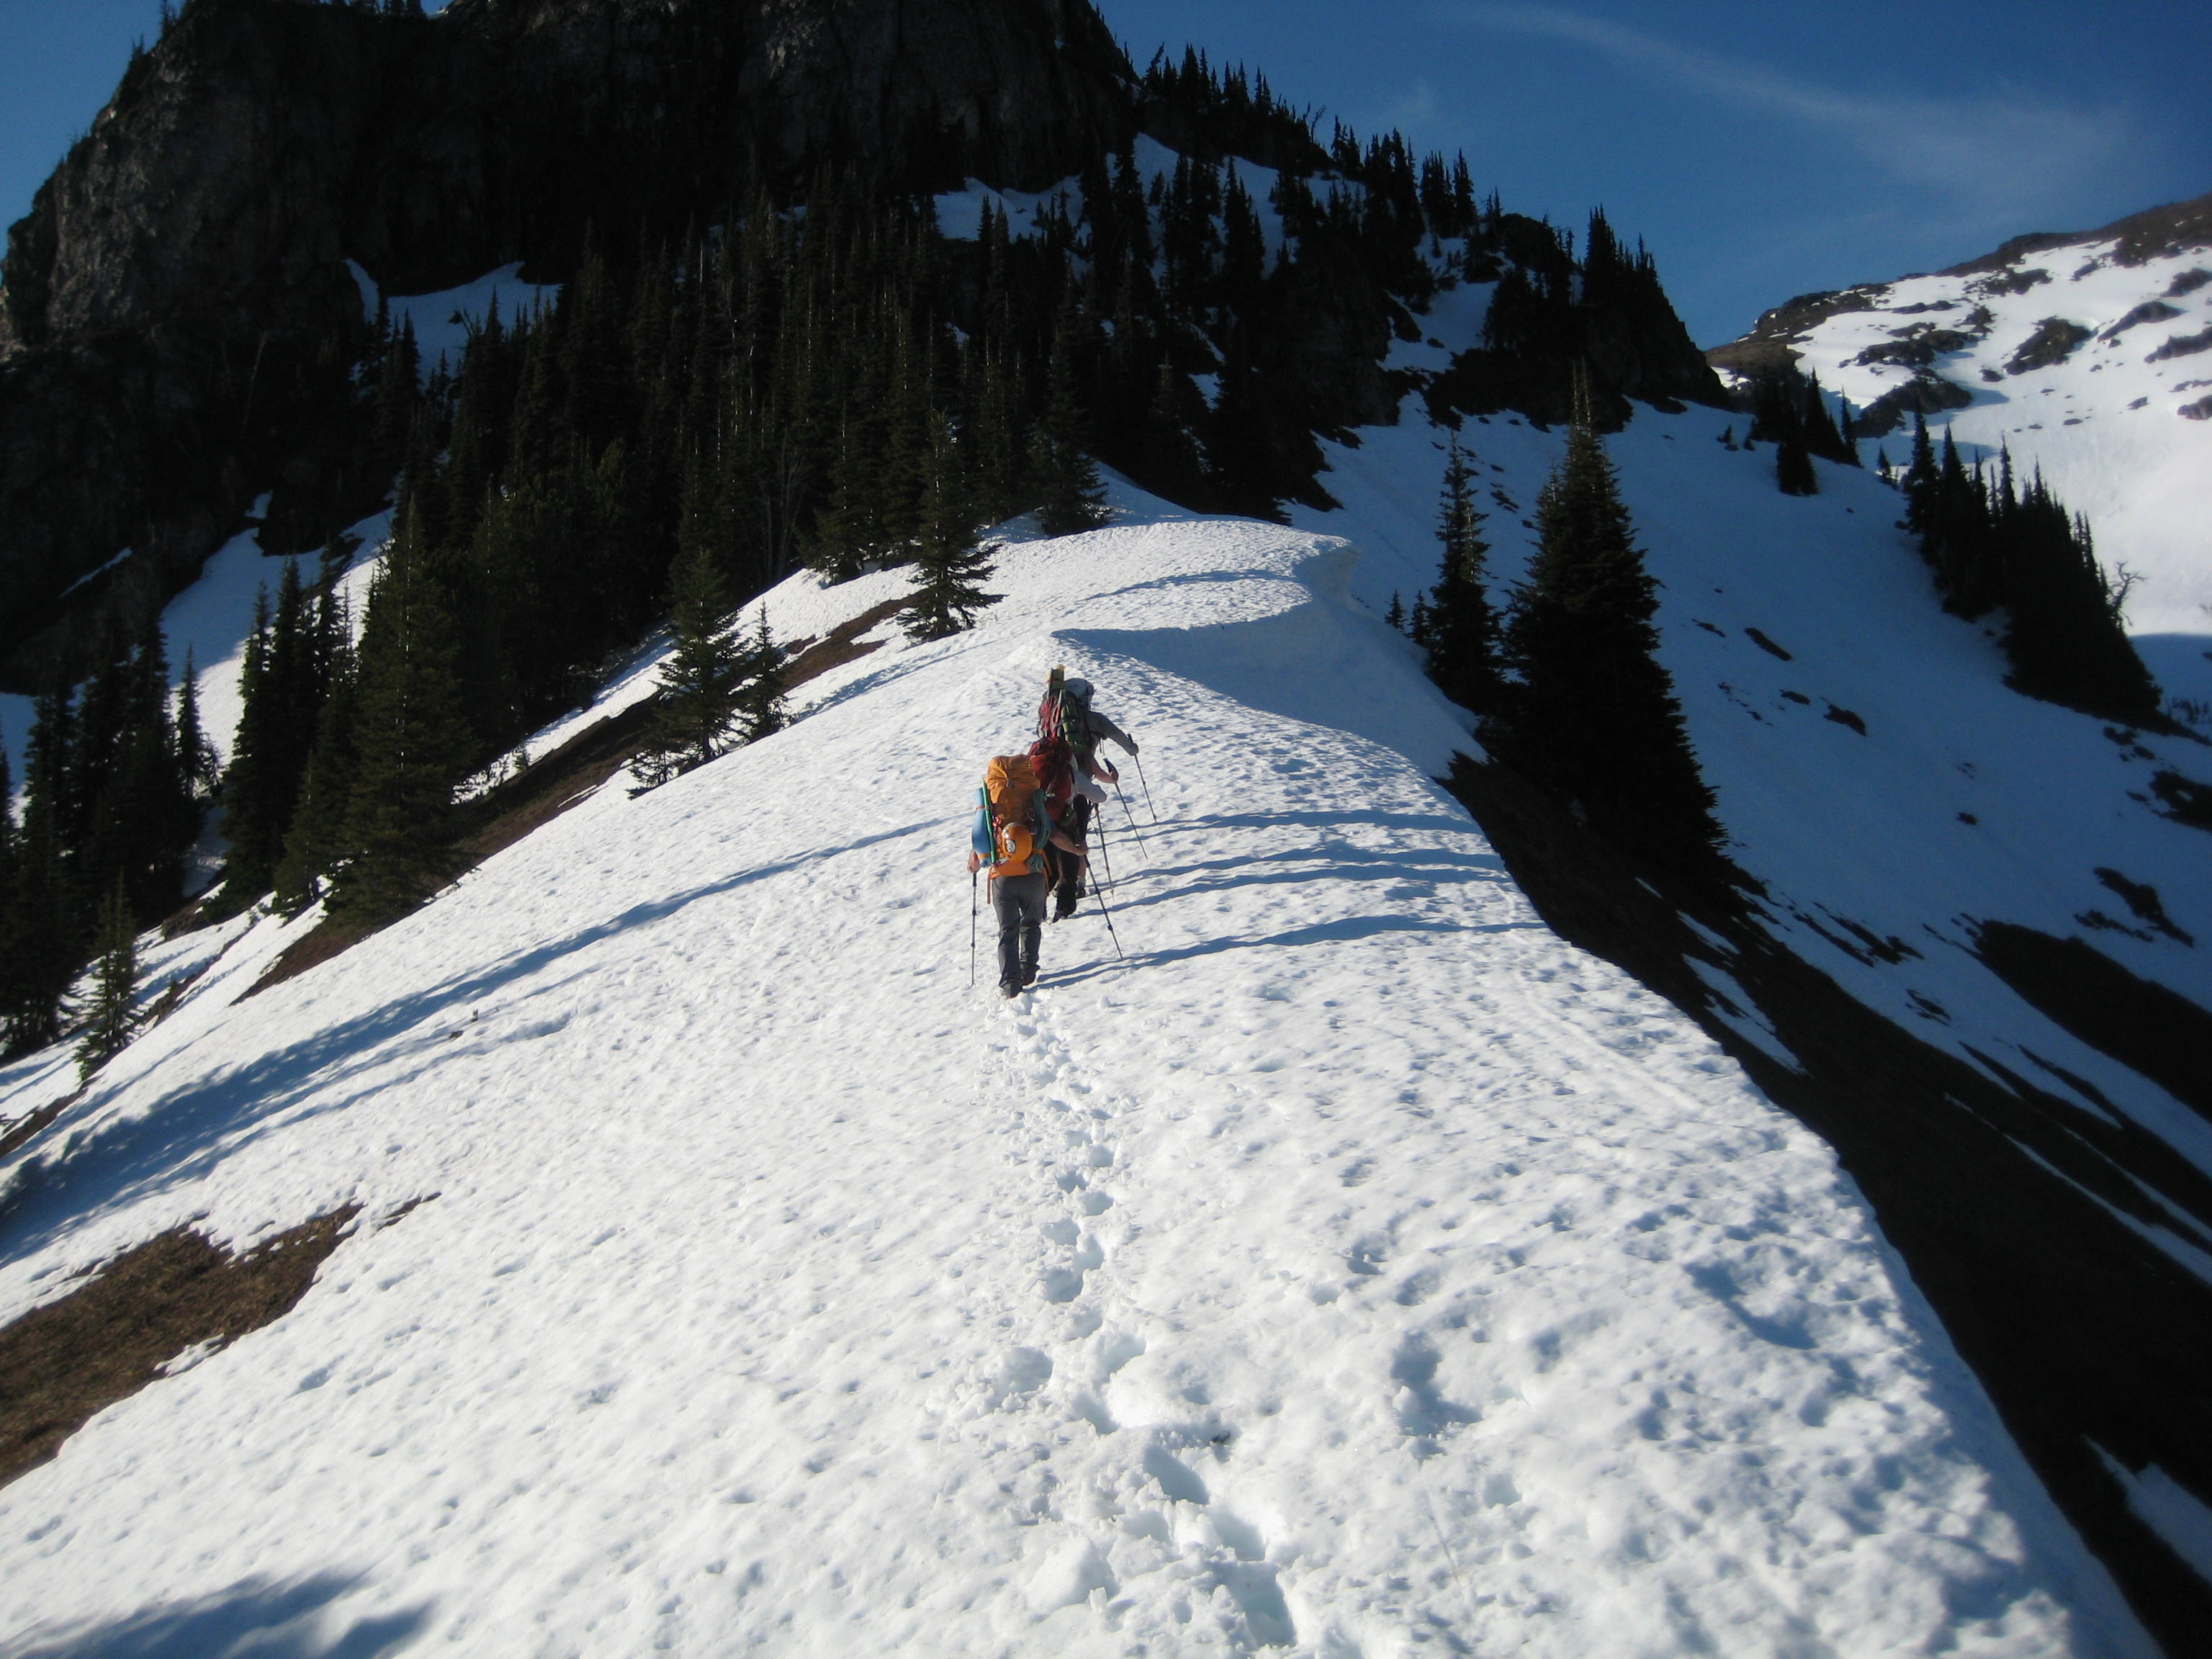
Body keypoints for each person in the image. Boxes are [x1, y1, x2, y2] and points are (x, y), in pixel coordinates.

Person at [970, 750, 1089, 998]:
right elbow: (1054, 835)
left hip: (1002, 876)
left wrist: (975, 863)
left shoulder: (992, 806)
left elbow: (979, 840)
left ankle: (1009, 983)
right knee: (1032, 924)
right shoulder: (1034, 800)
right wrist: (1077, 850)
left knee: (1007, 930)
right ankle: (1028, 968)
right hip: (1034, 872)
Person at [1041, 677, 1138, 921]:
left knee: (1051, 838)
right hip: (1080, 787)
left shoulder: (1052, 721)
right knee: (1077, 840)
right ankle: (1079, 884)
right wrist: (1131, 749)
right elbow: (1115, 737)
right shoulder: (1095, 721)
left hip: (1048, 792)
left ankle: (1049, 884)